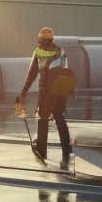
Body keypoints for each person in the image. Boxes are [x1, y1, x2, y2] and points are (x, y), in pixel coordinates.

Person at [16, 26, 72, 167]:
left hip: (46, 92)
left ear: (40, 39)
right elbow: (67, 72)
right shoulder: (60, 51)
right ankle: (66, 153)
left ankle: (42, 151)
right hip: (59, 91)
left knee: (43, 120)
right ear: (52, 39)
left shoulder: (38, 51)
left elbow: (31, 75)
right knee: (60, 120)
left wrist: (23, 92)